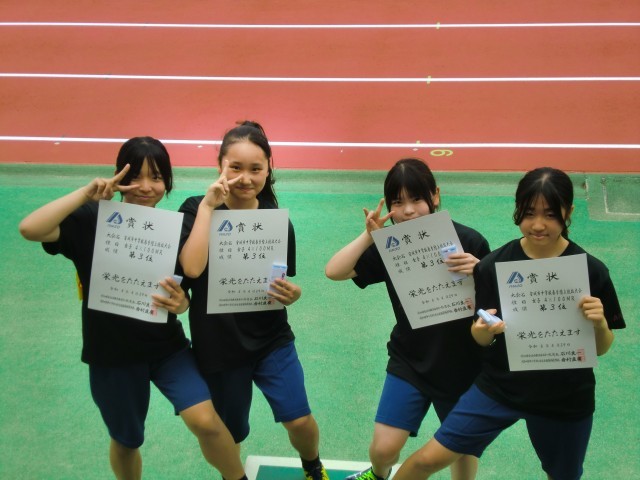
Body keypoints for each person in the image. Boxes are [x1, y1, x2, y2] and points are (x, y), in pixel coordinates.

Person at [18, 137, 247, 480]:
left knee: (206, 421)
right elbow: (30, 228)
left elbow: (184, 290)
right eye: (135, 176)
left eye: (156, 177)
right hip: (112, 355)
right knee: (126, 441)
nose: (145, 187)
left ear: (167, 183)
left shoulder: (171, 231)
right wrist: (85, 194)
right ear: (118, 177)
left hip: (167, 349)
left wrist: (182, 303)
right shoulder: (92, 219)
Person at [392, 167, 626, 480]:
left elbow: (602, 347)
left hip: (564, 397)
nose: (538, 225)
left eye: (550, 214)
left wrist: (599, 325)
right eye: (529, 213)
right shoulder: (493, 266)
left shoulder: (592, 271)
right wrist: (482, 331)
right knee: (425, 461)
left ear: (569, 212)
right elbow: (481, 338)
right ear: (517, 210)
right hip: (500, 387)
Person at [178, 121, 329, 480]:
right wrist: (208, 209)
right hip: (218, 344)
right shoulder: (195, 209)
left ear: (268, 169)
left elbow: (280, 281)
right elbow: (192, 269)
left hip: (270, 339)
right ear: (220, 166)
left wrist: (293, 293)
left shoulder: (275, 222)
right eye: (235, 167)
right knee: (229, 433)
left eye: (255, 169)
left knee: (300, 419)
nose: (245, 178)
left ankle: (313, 466)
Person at [325, 158, 490, 480]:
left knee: (461, 450)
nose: (409, 211)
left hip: (463, 364)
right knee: (383, 449)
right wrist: (370, 237)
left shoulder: (470, 242)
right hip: (410, 360)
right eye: (398, 202)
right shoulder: (392, 245)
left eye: (417, 199)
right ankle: (378, 474)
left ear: (435, 195)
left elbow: (494, 307)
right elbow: (334, 271)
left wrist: (481, 270)